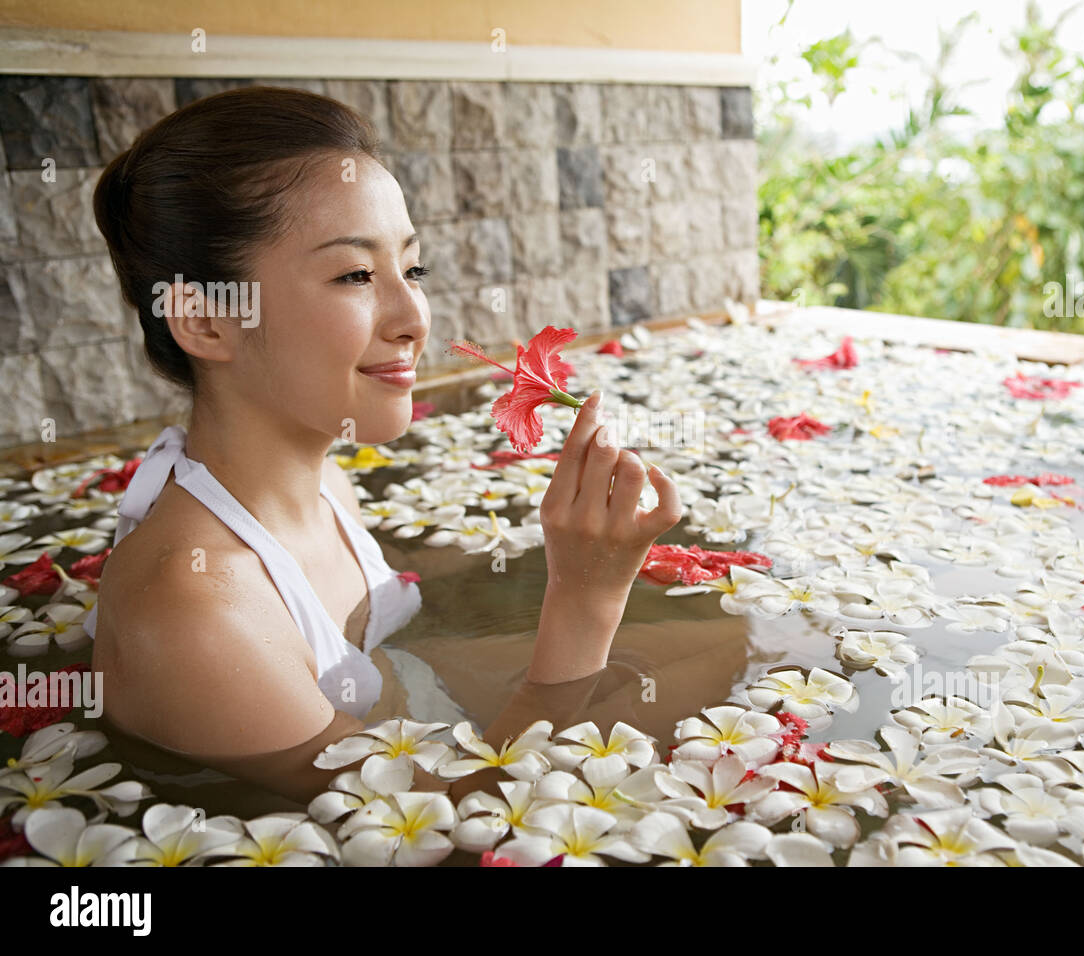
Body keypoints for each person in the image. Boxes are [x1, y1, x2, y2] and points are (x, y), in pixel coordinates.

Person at [87, 85, 683, 809]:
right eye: (356, 275)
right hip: (433, 790)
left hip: (412, 709)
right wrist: (584, 599)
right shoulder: (197, 609)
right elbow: (450, 831)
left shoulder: (322, 485)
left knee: (721, 653)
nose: (412, 318)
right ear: (206, 322)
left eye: (413, 269)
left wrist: (540, 555)